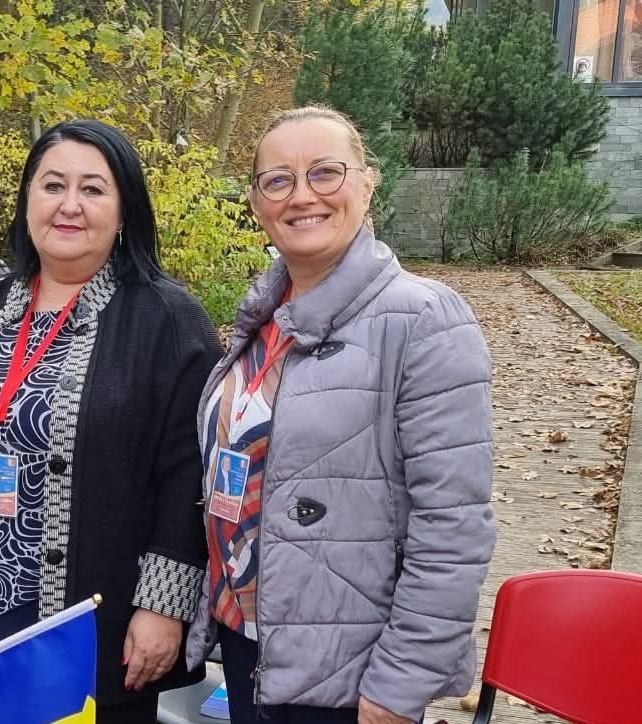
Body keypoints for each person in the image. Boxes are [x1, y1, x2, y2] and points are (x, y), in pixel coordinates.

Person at [187, 105, 496, 724]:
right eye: (278, 180)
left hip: (350, 679)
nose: (302, 195)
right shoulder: (265, 320)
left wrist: (401, 682)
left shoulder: (424, 320)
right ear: (256, 202)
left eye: (325, 172)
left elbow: (453, 526)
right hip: (250, 647)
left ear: (367, 183)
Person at [0, 119, 222, 722]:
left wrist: (163, 606)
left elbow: (190, 473)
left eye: (93, 189)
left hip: (95, 628)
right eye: (53, 185)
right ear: (28, 200)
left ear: (125, 210)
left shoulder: (167, 320)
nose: (69, 205)